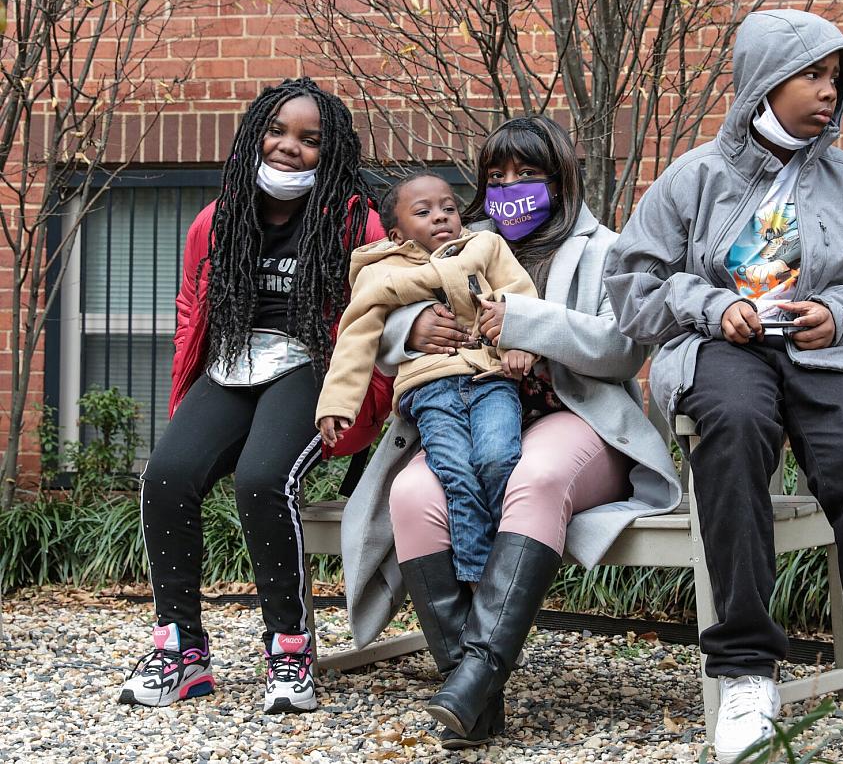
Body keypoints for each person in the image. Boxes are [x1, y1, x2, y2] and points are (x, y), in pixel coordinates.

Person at [604, 9, 843, 764]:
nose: (829, 92)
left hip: (823, 355)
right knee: (734, 433)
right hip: (721, 349)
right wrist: (715, 305)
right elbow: (632, 286)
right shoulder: (694, 177)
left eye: (837, 79)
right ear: (765, 82)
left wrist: (836, 313)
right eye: (813, 75)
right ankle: (744, 674)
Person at [338, 116, 681, 749]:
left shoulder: (607, 248)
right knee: (412, 496)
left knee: (536, 477)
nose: (509, 187)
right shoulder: (459, 241)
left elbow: (622, 350)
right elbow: (380, 310)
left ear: (559, 178)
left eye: (526, 174)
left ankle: (476, 679)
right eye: (496, 176)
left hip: (576, 417)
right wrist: (410, 330)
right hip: (467, 409)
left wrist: (525, 323)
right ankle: (471, 696)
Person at [118, 78, 391, 714]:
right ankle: (180, 649)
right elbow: (193, 310)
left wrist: (357, 401)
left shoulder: (356, 219)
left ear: (333, 151)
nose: (289, 146)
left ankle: (289, 648)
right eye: (277, 130)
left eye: (310, 139)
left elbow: (378, 315)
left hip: (311, 364)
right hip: (233, 361)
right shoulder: (217, 218)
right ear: (254, 134)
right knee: (166, 475)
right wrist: (188, 390)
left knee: (263, 480)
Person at [316, 171, 538, 583]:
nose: (440, 217)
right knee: (454, 469)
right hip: (431, 389)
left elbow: (520, 295)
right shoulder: (381, 273)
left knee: (498, 458)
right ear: (397, 235)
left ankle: (501, 567)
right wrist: (337, 405)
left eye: (448, 208)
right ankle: (480, 576)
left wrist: (520, 343)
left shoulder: (484, 246)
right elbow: (355, 339)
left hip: (491, 379)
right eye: (424, 212)